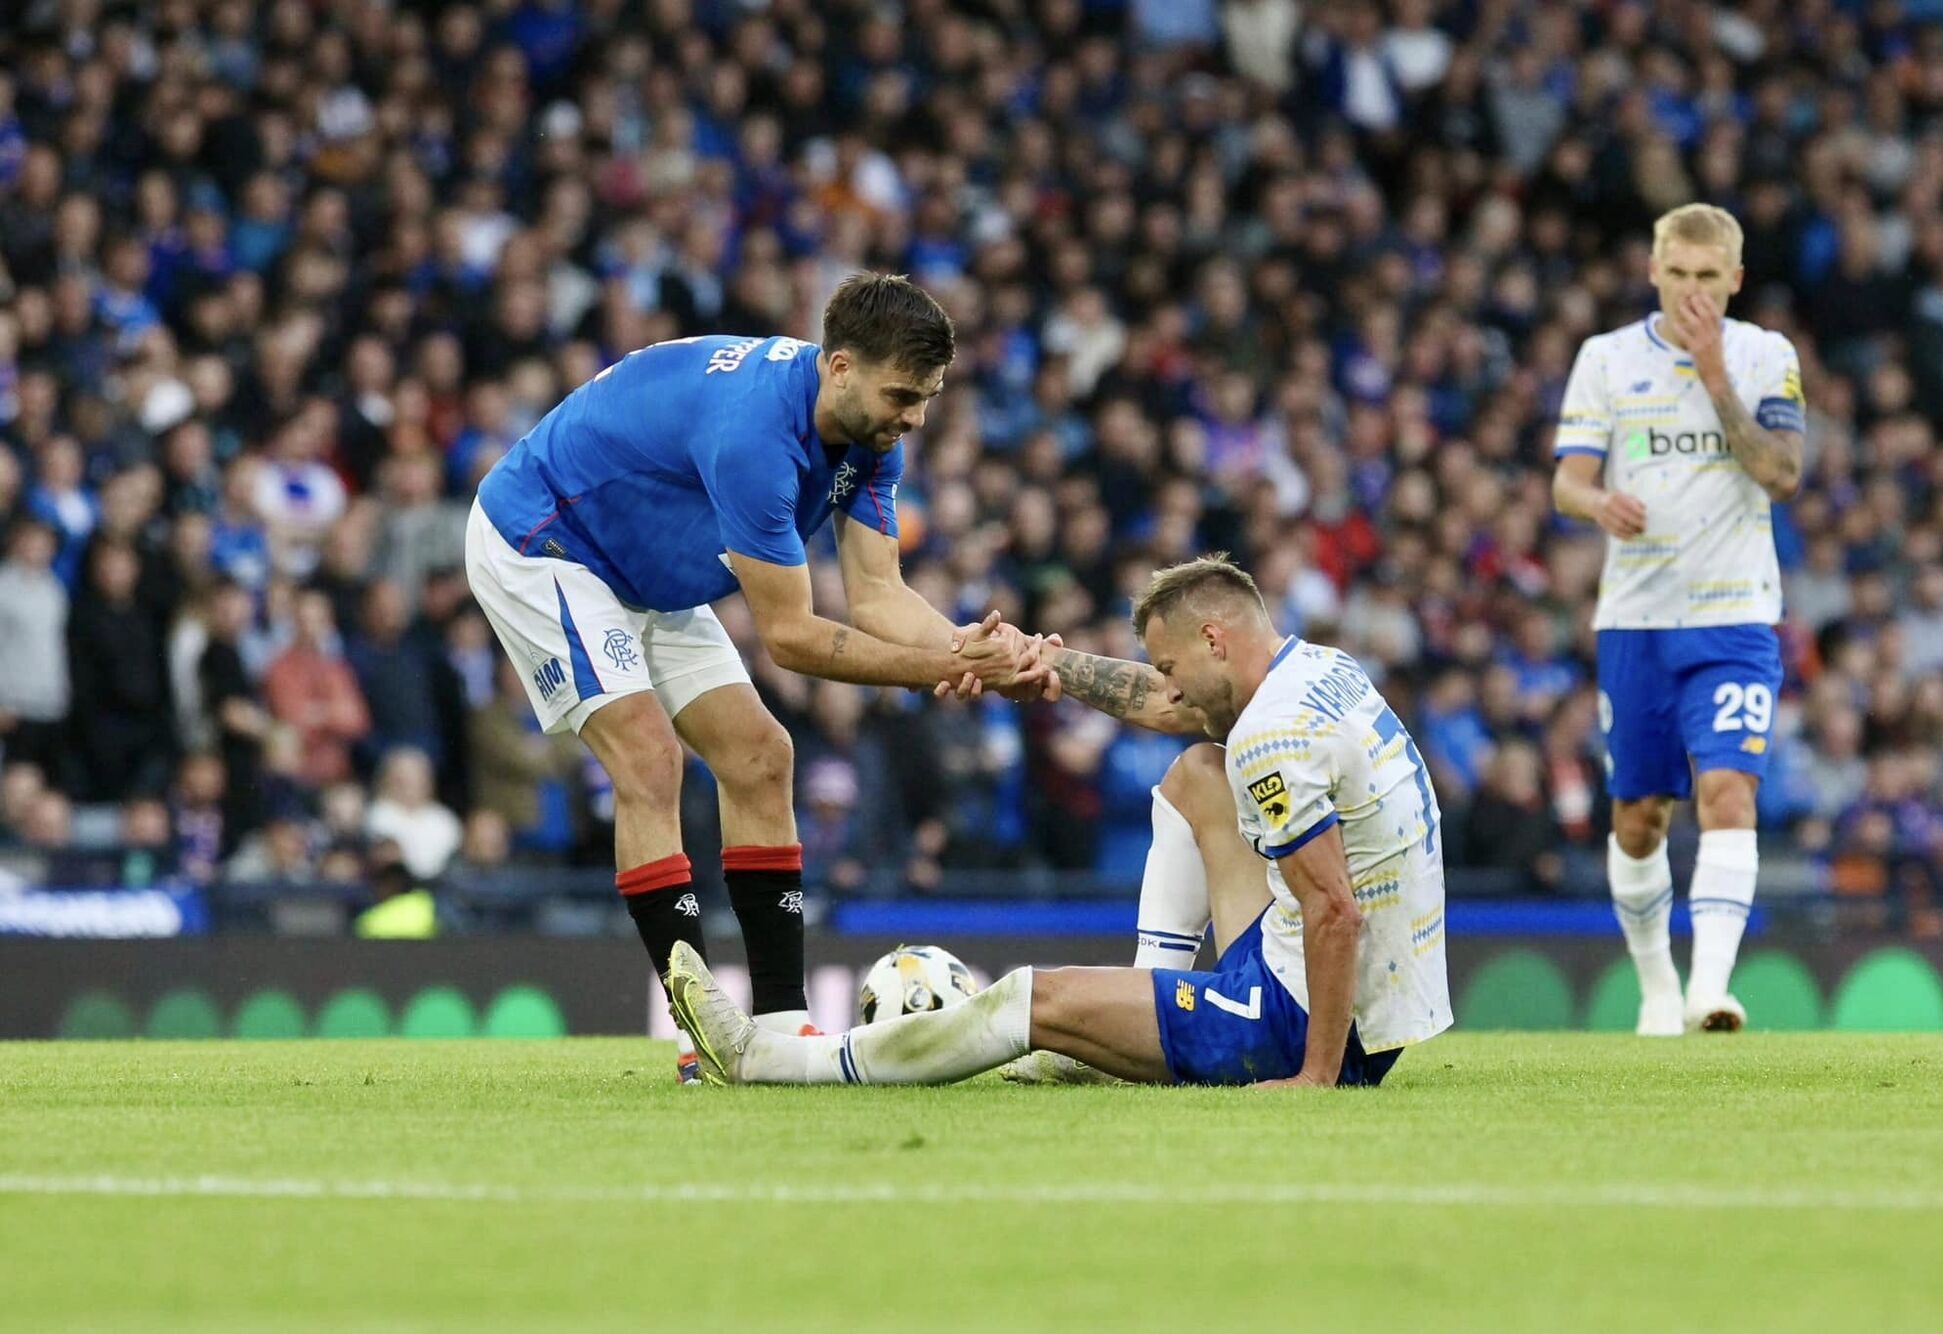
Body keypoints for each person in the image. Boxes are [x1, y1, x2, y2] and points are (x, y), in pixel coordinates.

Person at [466, 272, 1050, 1049]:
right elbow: (792, 638)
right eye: (903, 396)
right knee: (649, 759)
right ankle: (698, 1034)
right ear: (840, 367)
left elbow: (877, 594)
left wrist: (968, 646)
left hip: (649, 569)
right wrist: (944, 672)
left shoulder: (871, 434)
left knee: (762, 756)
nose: (914, 419)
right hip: (546, 541)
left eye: (927, 399)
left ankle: (779, 1030)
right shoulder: (755, 436)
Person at [667, 556, 1451, 1088]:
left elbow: (1335, 910)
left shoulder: (1273, 738)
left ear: (1214, 639)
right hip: (1369, 999)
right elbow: (1160, 704)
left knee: (1028, 1000)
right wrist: (1049, 664)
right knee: (1197, 776)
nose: (1170, 690)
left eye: (1174, 668)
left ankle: (770, 1061)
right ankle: (1149, 1006)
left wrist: (1317, 1077)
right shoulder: (1318, 671)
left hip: (1308, 1018)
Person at [1550, 203, 1806, 1036]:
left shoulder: (1766, 355)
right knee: (1639, 816)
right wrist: (1597, 502)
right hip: (1637, 618)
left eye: (1710, 278)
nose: (1694, 292)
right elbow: (1568, 481)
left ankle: (1711, 990)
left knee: (1728, 791)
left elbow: (1781, 475)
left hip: (1735, 615)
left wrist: (1714, 374)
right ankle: (1658, 987)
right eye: (1679, 274)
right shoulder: (1607, 358)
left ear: (1735, 278)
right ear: (1654, 270)